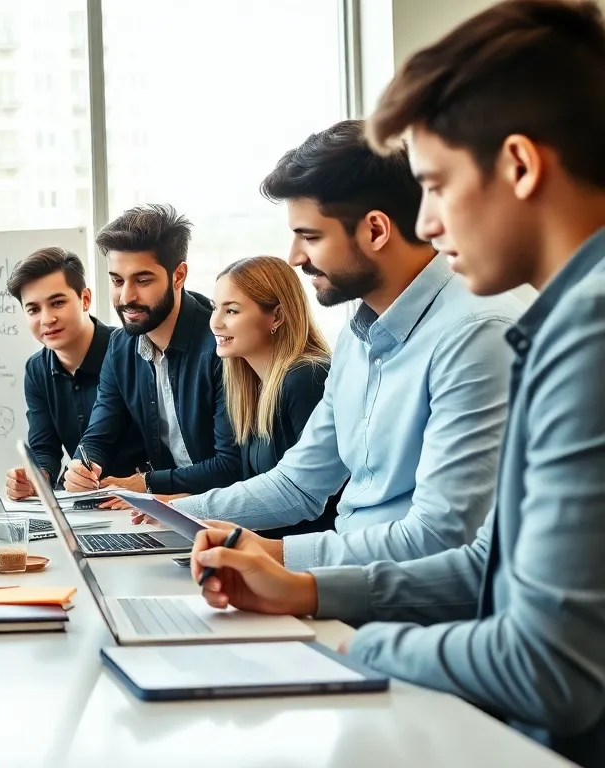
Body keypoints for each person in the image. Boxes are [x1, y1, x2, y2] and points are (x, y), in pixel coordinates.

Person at [190, 1, 605, 761]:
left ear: (519, 166)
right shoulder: (563, 320)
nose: (431, 222)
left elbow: (549, 668)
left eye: (437, 186)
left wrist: (348, 647)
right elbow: (486, 564)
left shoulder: (576, 331)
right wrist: (308, 592)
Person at [158, 119, 523, 570]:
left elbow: (440, 537)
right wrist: (173, 515)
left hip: (408, 596)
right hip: (350, 579)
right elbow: (298, 485)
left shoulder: (476, 334)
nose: (295, 257)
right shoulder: (358, 336)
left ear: (375, 230)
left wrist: (275, 558)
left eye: (310, 237)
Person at [63, 204, 240, 497]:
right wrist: (82, 466)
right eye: (117, 281)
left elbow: (231, 466)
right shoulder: (120, 347)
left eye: (142, 280)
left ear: (178, 276)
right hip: (166, 508)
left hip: (223, 509)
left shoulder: (220, 343)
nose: (126, 297)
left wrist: (146, 483)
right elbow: (99, 435)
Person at [1, 247, 147, 499]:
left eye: (57, 303)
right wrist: (35, 479)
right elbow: (44, 449)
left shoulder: (131, 350)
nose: (46, 319)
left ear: (85, 299)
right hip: (79, 501)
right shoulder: (36, 369)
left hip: (142, 498)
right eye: (33, 309)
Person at [209, 256, 336, 538]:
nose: (215, 323)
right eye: (214, 308)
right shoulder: (252, 386)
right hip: (270, 549)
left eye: (231, 311)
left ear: (277, 317)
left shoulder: (308, 377)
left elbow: (313, 499)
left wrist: (188, 509)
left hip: (309, 555)